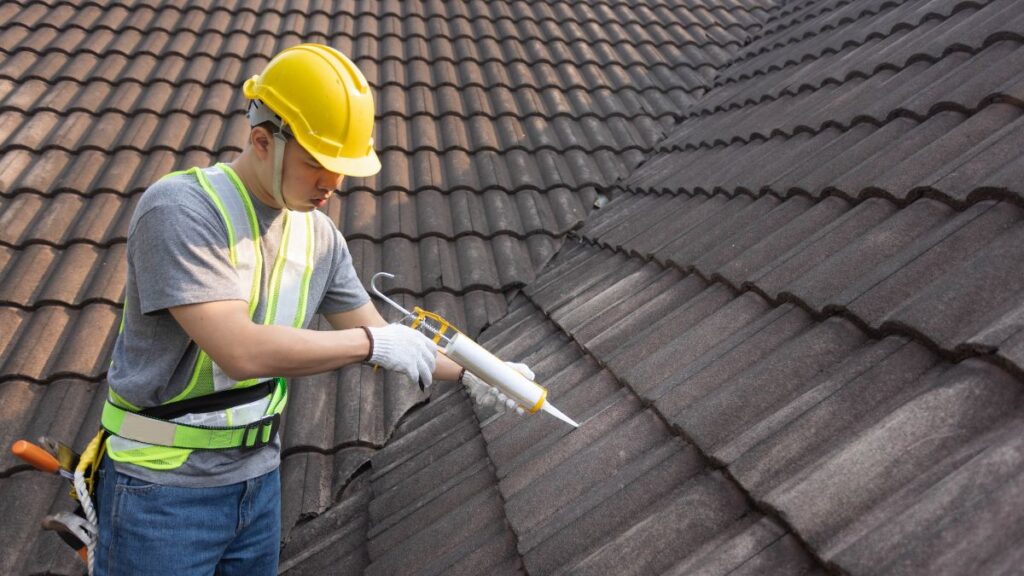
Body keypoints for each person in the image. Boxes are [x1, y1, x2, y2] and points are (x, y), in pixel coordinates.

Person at [92, 43, 518, 575]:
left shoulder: (318, 237)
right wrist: (372, 346)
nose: (332, 184)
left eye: (341, 169)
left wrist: (487, 375)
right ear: (262, 141)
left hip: (257, 484)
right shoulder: (181, 210)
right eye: (318, 163)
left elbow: (381, 332)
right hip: (162, 492)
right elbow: (239, 350)